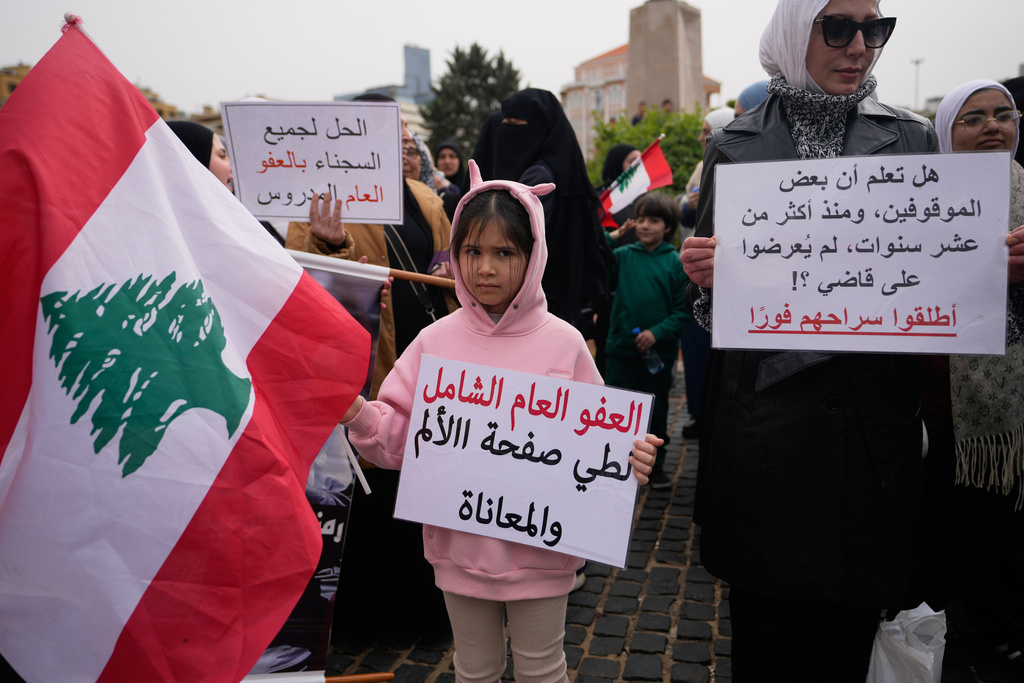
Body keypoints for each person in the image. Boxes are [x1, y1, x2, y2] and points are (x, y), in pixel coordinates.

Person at [680, 1, 936, 680]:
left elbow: (932, 281)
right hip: (767, 440)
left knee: (844, 646)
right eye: (838, 27)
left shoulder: (912, 140)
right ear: (798, 31)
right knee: (767, 645)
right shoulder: (734, 143)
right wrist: (706, 281)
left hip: (869, 440)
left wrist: (990, 273)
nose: (859, 45)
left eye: (874, 29)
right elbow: (711, 314)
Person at [339, 160, 660, 683]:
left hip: (543, 554)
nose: (484, 268)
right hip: (458, 553)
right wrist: (358, 413)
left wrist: (630, 454)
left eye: (503, 253)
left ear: (533, 257)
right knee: (475, 670)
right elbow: (397, 440)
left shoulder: (564, 341)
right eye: (472, 252)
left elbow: (600, 439)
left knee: (541, 670)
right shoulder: (434, 341)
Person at [921, 78, 1024, 675]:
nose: (991, 127)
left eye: (1003, 115)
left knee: (999, 523)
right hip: (931, 394)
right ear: (944, 134)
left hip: (1003, 406)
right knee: (934, 516)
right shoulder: (914, 196)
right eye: (973, 118)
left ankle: (1001, 621)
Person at [472, 88, 614, 331]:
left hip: (535, 300)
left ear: (539, 130)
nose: (504, 130)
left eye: (514, 123)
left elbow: (515, 236)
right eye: (504, 122)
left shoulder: (539, 177)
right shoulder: (546, 169)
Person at [604, 192, 690, 490]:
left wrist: (657, 332)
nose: (644, 225)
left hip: (658, 354)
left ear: (668, 227)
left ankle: (658, 464)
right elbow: (596, 255)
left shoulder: (675, 263)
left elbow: (684, 312)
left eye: (653, 220)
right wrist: (613, 236)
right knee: (616, 408)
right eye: (640, 219)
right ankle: (612, 459)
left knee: (656, 409)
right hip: (620, 350)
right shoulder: (623, 256)